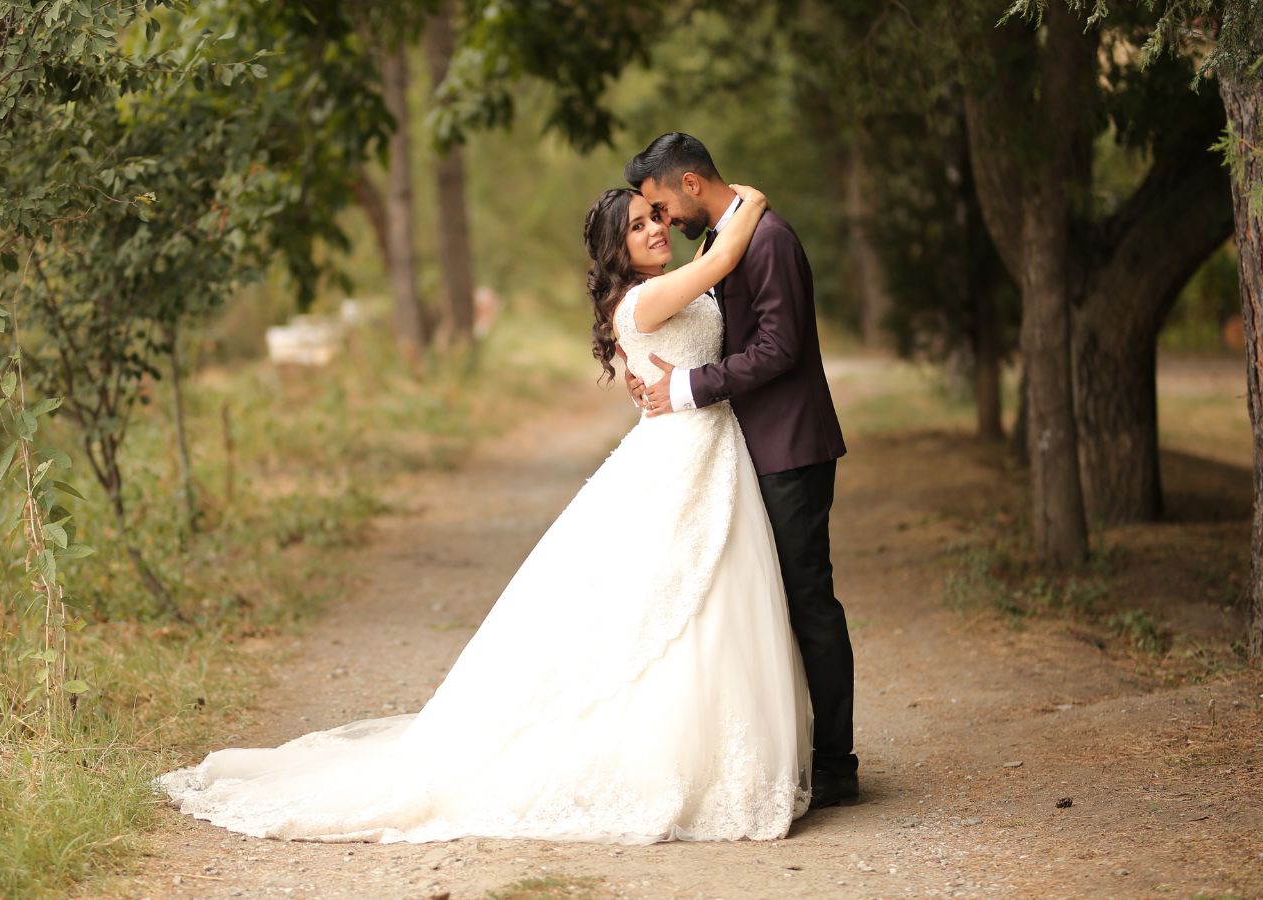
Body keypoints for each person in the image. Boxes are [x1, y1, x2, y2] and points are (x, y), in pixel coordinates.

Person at [157, 182, 814, 844]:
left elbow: (677, 346)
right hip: (679, 455)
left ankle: (714, 749)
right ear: (616, 248)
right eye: (641, 224)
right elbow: (724, 259)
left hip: (707, 448)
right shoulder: (644, 299)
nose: (657, 228)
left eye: (656, 218)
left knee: (709, 599)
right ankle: (669, 760)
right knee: (666, 603)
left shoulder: (661, 291)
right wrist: (749, 200)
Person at [624, 132, 857, 808]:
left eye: (662, 205)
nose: (663, 220)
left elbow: (780, 349)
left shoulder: (770, 239)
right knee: (760, 607)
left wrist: (691, 386)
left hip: (791, 448)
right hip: (745, 450)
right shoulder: (720, 242)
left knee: (809, 602)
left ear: (691, 185)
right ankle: (782, 754)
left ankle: (838, 764)